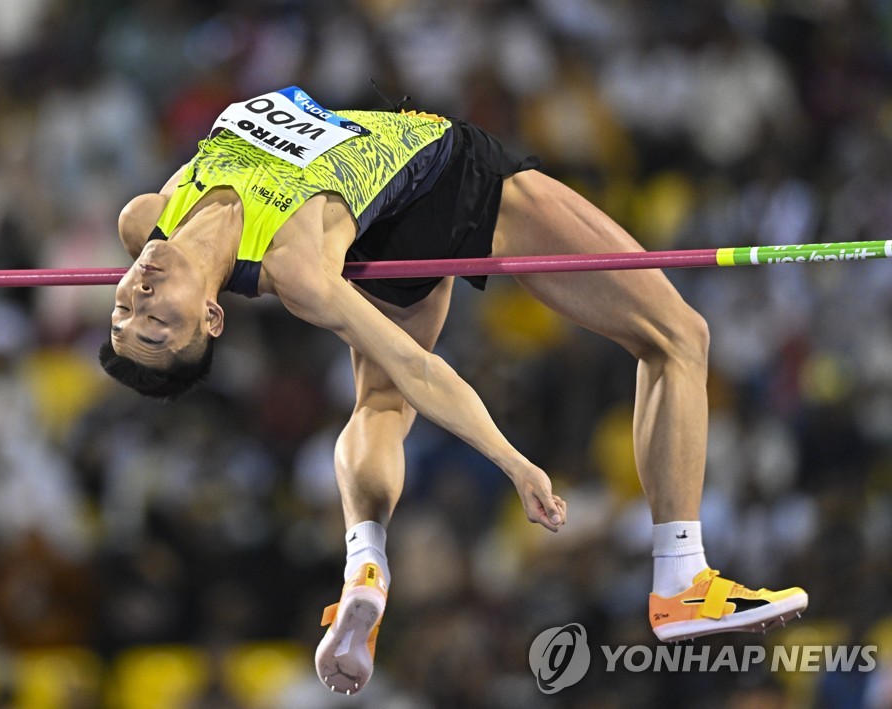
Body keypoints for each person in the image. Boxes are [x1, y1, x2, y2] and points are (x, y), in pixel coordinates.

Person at [100, 86, 808, 695]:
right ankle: (682, 576)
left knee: (378, 407)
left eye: (126, 311)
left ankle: (363, 565)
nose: (141, 298)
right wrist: (512, 460)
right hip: (455, 179)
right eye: (159, 323)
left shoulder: (144, 218)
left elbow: (396, 379)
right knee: (680, 335)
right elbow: (419, 368)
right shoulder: (297, 268)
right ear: (214, 317)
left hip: (383, 223)